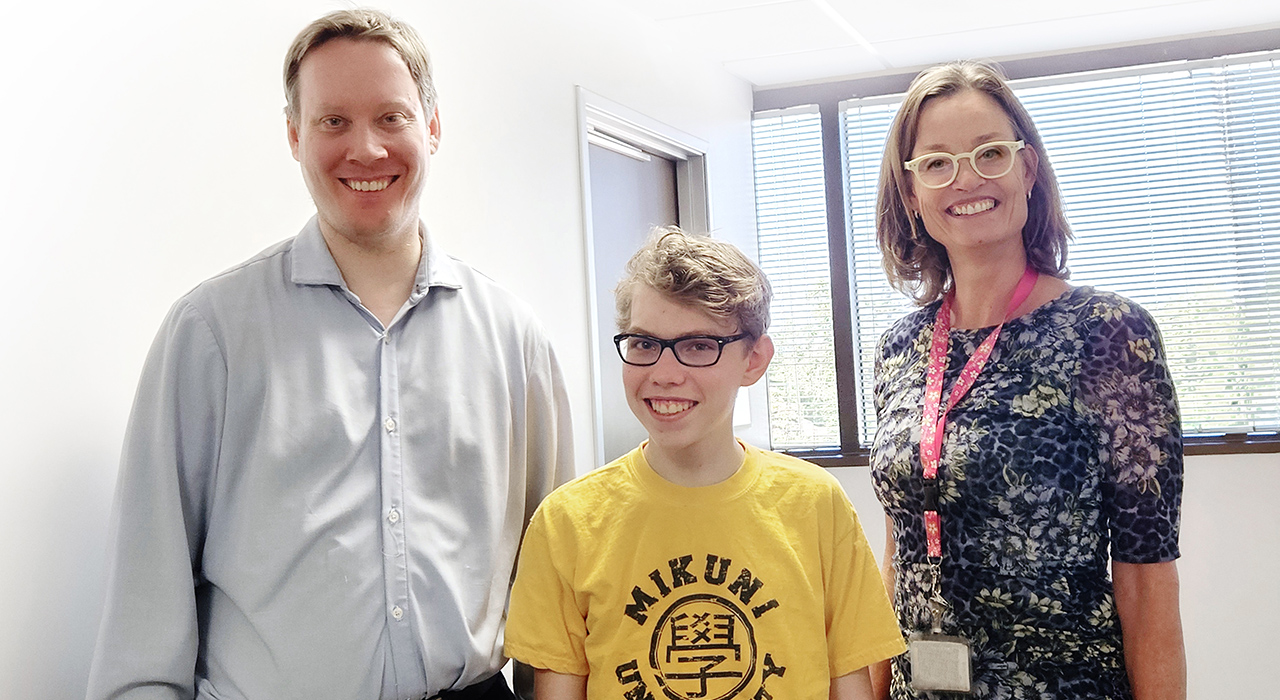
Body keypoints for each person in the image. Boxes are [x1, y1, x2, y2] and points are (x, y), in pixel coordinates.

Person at [86, 9, 573, 700]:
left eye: (392, 117)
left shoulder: (514, 338)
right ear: (294, 135)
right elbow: (145, 610)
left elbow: (553, 589)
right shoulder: (211, 334)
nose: (366, 149)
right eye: (333, 121)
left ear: (433, 128)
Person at [869, 60, 1185, 699]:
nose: (967, 179)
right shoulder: (899, 348)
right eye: (936, 163)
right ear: (910, 194)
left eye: (990, 153)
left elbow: (1147, 579)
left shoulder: (1109, 334)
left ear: (1028, 170)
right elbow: (899, 554)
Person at [504, 227, 906, 700]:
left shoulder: (816, 505)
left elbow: (850, 683)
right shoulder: (566, 521)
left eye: (699, 346)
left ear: (754, 360)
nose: (665, 374)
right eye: (644, 344)